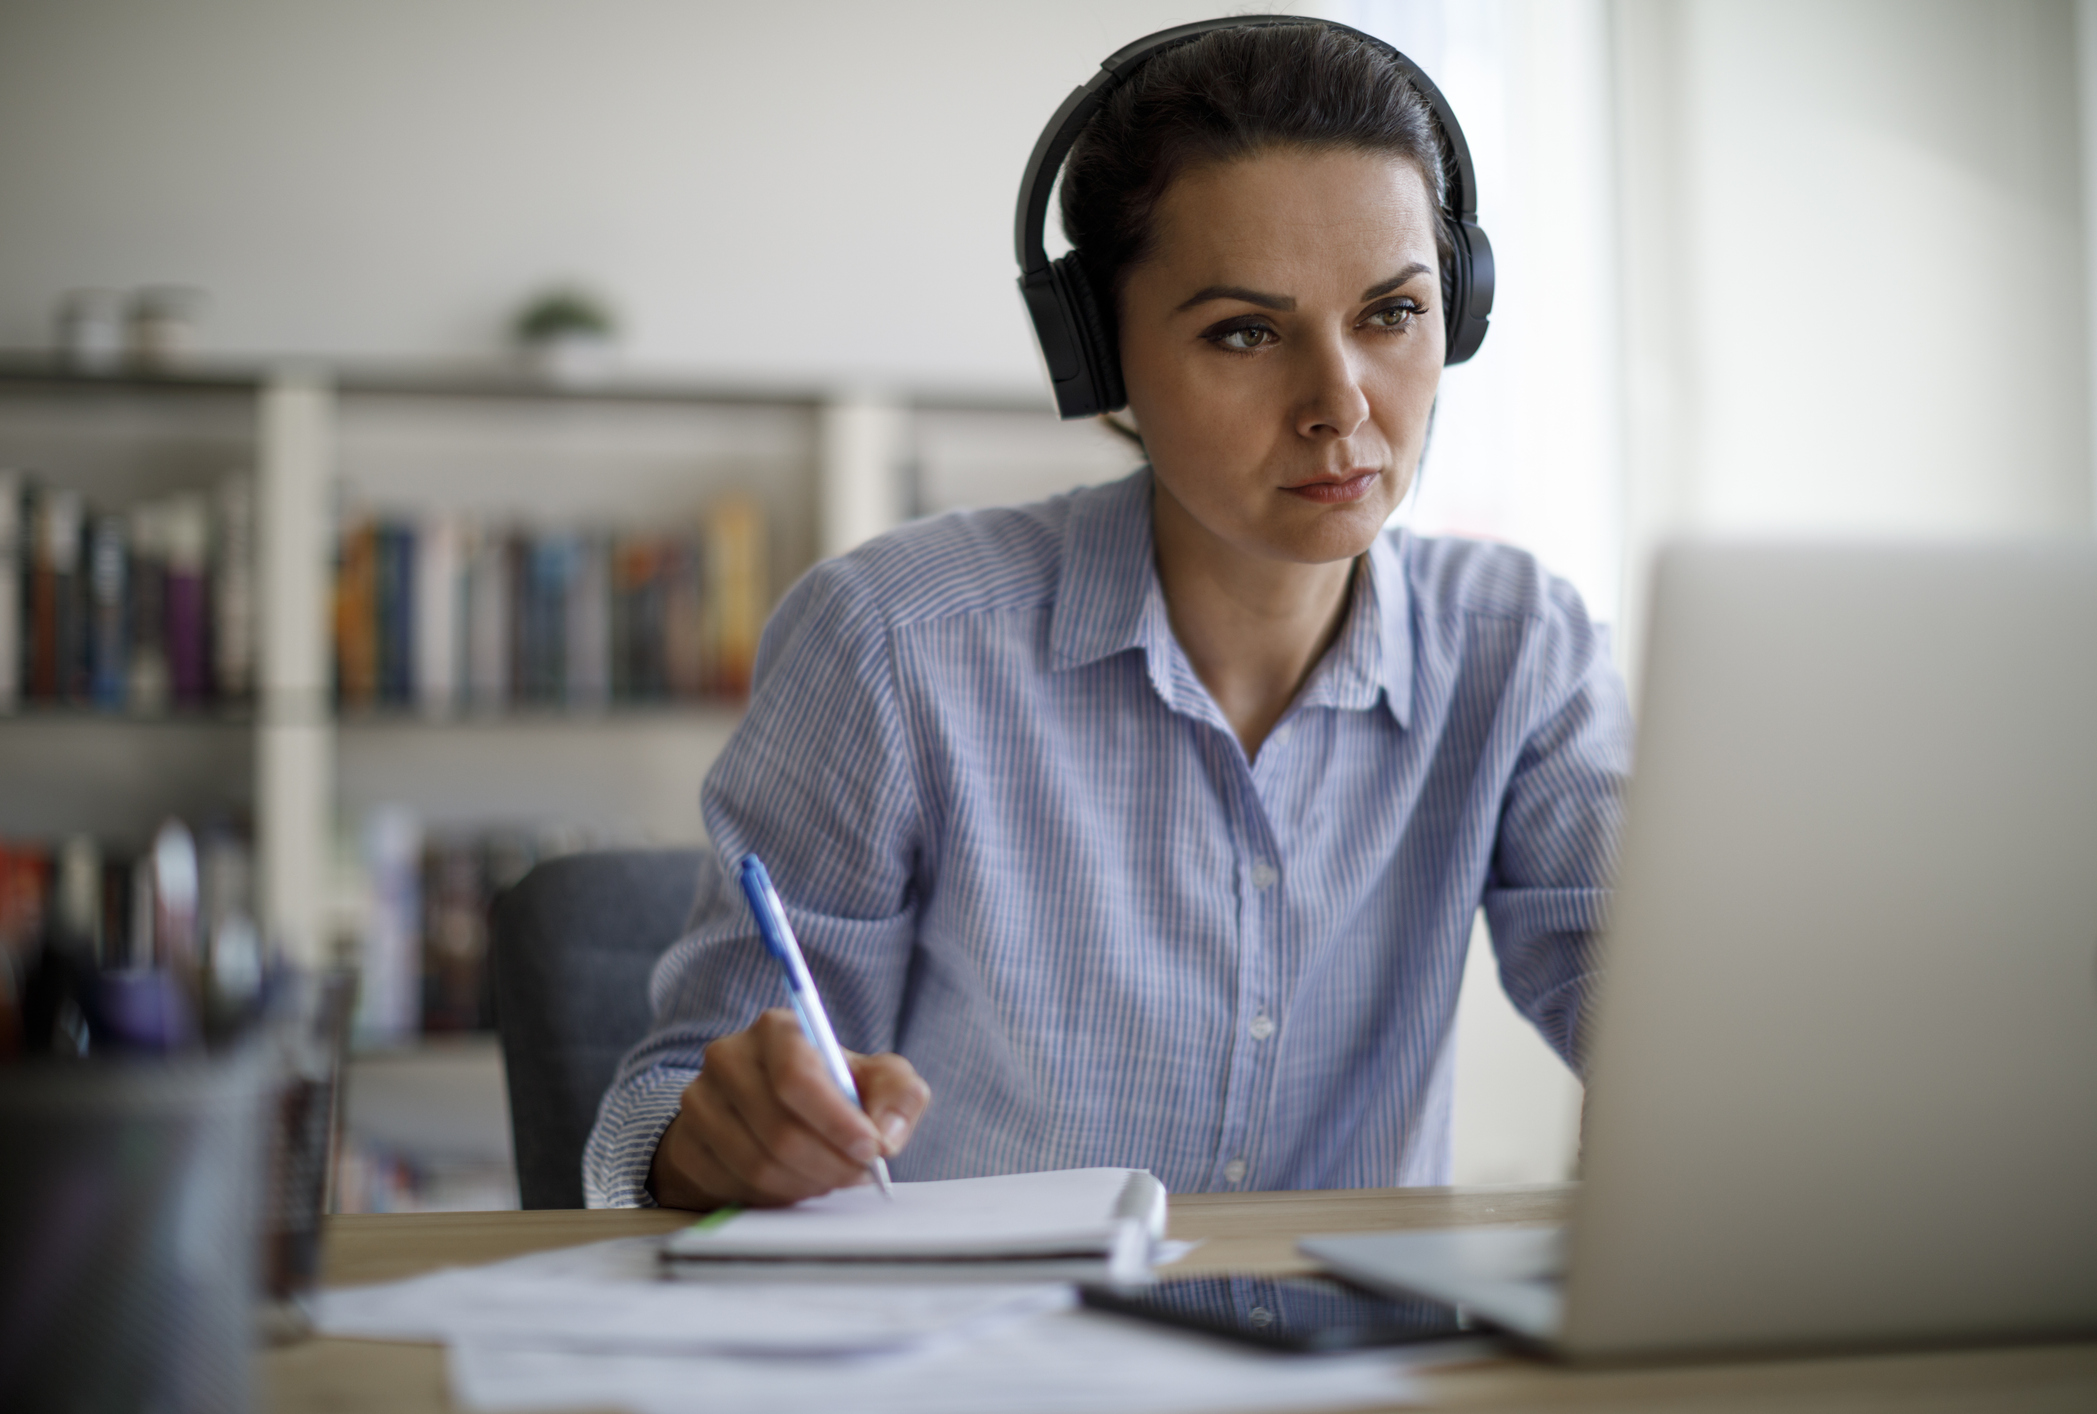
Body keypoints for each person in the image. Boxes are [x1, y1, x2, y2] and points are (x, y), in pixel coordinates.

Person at [584, 19, 1630, 1210]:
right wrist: (721, 1137)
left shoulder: (1524, 652)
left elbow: (1662, 1017)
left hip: (1358, 1377)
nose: (1341, 406)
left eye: (1393, 314)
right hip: (979, 1367)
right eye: (1246, 331)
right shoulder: (895, 645)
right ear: (1098, 357)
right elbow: (677, 1096)